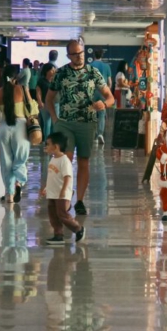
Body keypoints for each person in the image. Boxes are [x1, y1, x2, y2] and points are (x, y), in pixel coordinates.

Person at [46, 39, 115, 216]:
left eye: (81, 52)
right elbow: (49, 99)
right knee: (66, 160)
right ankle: (66, 196)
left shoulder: (93, 73)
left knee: (84, 161)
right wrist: (55, 119)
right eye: (75, 54)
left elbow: (110, 97)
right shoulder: (61, 73)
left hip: (87, 123)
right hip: (66, 123)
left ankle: (80, 200)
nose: (79, 56)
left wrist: (104, 104)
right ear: (68, 55)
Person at [0, 64, 31, 204]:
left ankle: (9, 195)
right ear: (17, 76)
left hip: (4, 128)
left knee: (6, 162)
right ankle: (19, 182)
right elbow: (32, 109)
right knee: (20, 158)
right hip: (21, 127)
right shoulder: (22, 90)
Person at [42, 132, 86, 245]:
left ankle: (78, 229)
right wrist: (46, 188)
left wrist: (64, 191)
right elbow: (52, 176)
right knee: (53, 215)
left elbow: (68, 177)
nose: (45, 146)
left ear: (56, 147)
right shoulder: (53, 159)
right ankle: (58, 235)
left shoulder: (64, 161)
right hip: (52, 193)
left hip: (61, 194)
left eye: (47, 144)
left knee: (62, 215)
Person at [90, 49, 112, 145]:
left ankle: (93, 134)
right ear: (102, 55)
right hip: (103, 91)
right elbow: (110, 82)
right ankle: (100, 134)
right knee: (102, 113)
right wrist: (107, 91)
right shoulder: (106, 66)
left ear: (94, 54)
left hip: (92, 91)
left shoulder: (90, 66)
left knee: (92, 112)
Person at [36, 63, 57, 140]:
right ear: (46, 71)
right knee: (47, 123)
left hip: (55, 104)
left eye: (54, 69)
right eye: (52, 69)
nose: (53, 71)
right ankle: (47, 140)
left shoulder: (56, 79)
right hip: (45, 104)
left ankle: (54, 140)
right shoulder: (42, 80)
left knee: (55, 123)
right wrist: (40, 101)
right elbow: (38, 92)